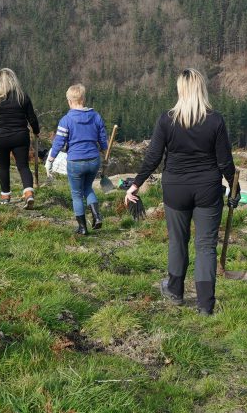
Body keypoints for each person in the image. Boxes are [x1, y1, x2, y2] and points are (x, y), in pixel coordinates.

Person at [125, 69, 236, 315]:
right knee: (206, 246)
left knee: (178, 241)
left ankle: (175, 291)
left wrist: (136, 183)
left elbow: (153, 156)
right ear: (201, 88)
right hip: (208, 188)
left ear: (181, 90)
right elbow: (225, 161)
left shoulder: (167, 120)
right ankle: (205, 305)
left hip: (175, 188)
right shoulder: (215, 120)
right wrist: (234, 188)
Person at [48, 84, 110, 236]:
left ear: (69, 101)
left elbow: (59, 143)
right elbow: (102, 139)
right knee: (88, 188)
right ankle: (97, 216)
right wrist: (104, 152)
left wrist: (51, 159)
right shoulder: (96, 116)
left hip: (75, 162)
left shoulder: (66, 120)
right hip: (93, 160)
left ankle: (82, 228)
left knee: (76, 194)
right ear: (84, 98)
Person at [0, 68, 40, 207]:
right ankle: (28, 193)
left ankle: (5, 196)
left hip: (1, 137)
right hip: (20, 136)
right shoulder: (22, 96)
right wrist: (36, 131)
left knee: (3, 167)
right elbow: (32, 117)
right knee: (23, 166)